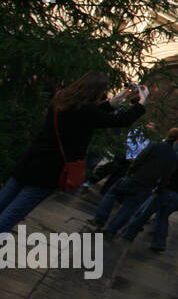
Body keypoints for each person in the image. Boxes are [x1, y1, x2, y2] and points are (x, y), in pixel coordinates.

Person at [0, 72, 146, 233]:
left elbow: (85, 114)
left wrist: (111, 103)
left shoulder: (61, 99)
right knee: (13, 213)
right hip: (49, 169)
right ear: (97, 91)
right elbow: (120, 121)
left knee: (4, 199)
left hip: (30, 159)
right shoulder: (87, 112)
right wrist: (142, 103)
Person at [96, 128, 178, 234]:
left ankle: (100, 219)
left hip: (136, 177)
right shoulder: (173, 156)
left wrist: (130, 171)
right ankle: (112, 229)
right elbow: (167, 175)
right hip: (148, 184)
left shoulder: (155, 145)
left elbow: (140, 159)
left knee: (112, 194)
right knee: (129, 208)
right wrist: (159, 188)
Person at [121, 142, 178, 250]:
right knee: (162, 218)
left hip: (166, 190)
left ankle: (128, 234)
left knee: (145, 213)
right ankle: (159, 243)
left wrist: (159, 186)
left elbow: (168, 174)